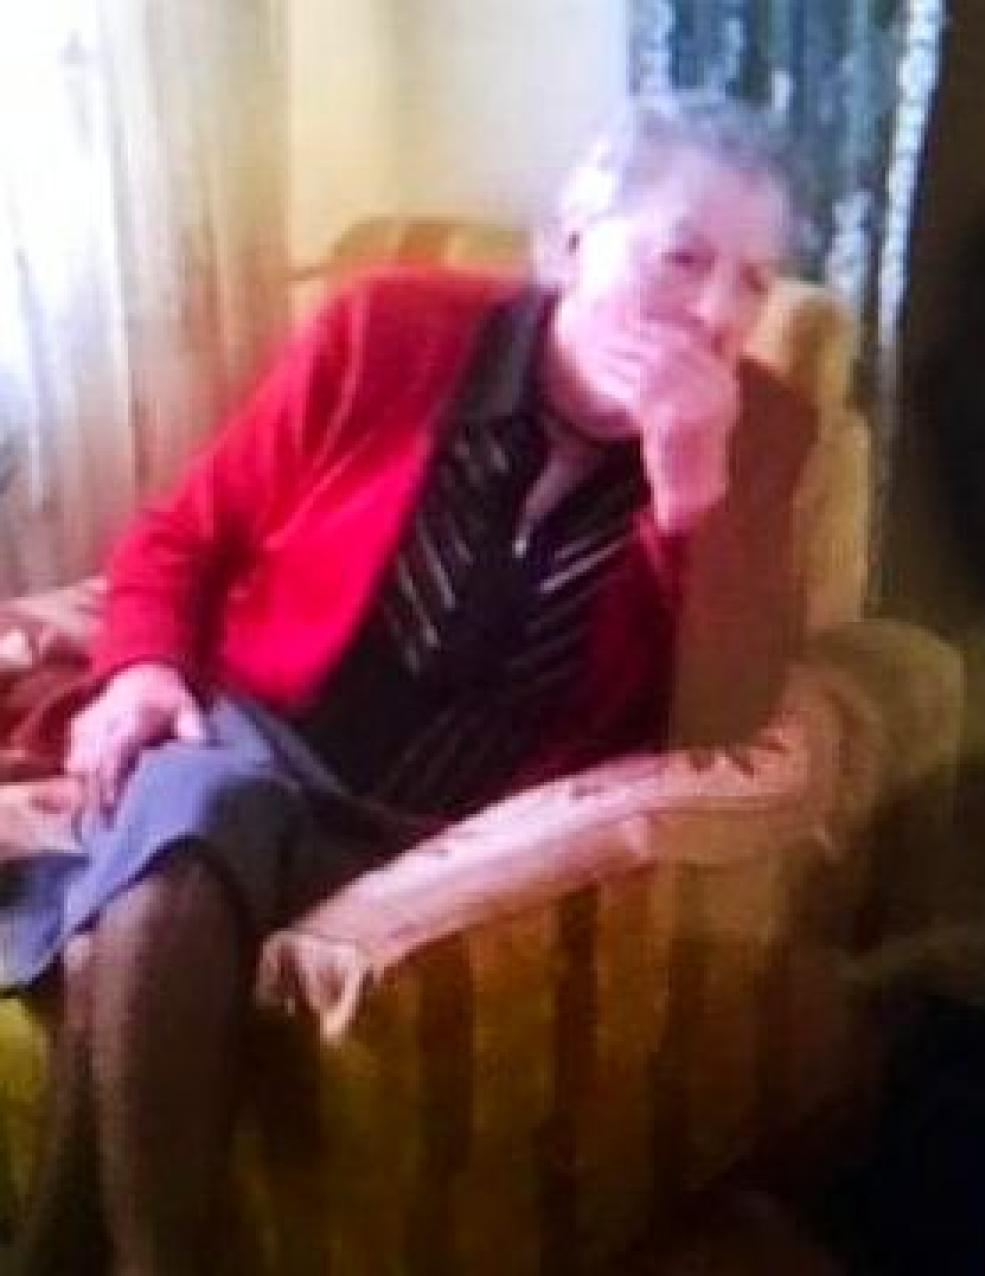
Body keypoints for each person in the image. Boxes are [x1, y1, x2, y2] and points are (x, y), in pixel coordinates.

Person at [10, 92, 812, 1274]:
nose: (715, 314)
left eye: (752, 282)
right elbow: (184, 535)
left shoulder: (762, 429)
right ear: (572, 238)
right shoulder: (389, 331)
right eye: (682, 257)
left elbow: (728, 712)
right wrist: (138, 671)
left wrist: (691, 495)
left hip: (444, 825)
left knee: (134, 898)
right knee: (193, 801)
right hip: (256, 744)